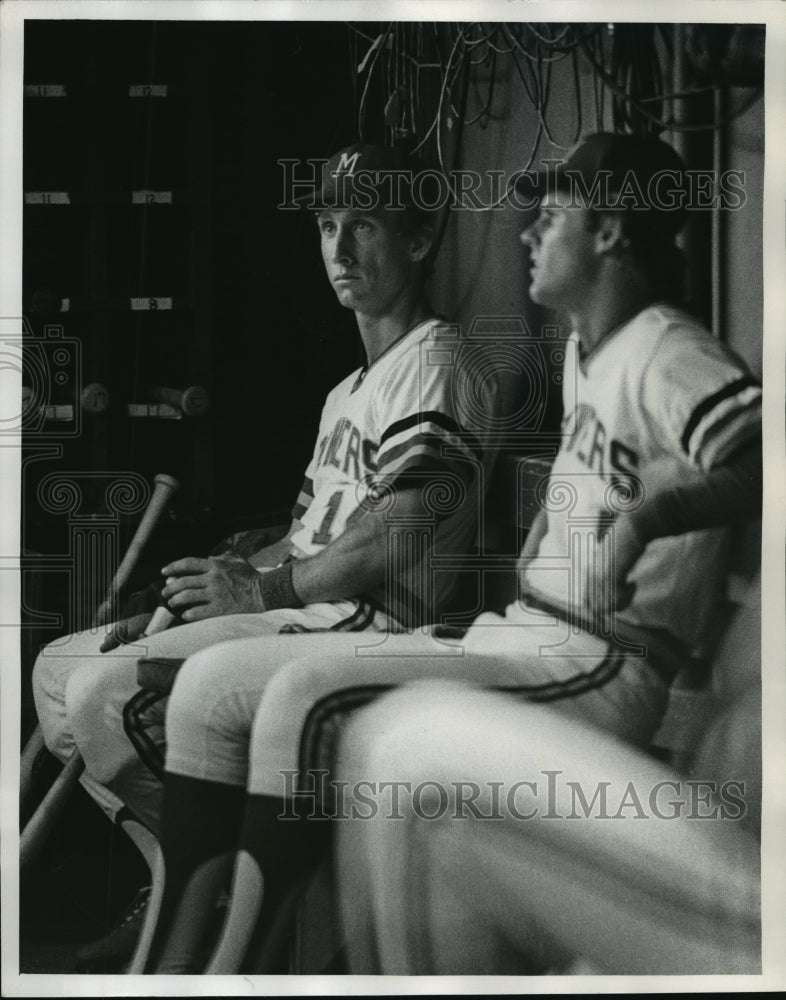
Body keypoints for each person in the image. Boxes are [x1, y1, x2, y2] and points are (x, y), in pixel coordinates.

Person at [127, 131, 762, 974]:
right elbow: (595, 486)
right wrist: (556, 536)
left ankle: (235, 973)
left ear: (610, 231)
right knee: (214, 688)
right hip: (526, 632)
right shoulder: (587, 351)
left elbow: (758, 458)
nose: (530, 233)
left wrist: (644, 526)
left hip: (603, 659)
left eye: (556, 214)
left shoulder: (668, 347)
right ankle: (188, 970)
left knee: (306, 702)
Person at [31, 142, 499, 969]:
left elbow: (402, 528)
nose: (339, 249)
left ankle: (247, 875)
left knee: (109, 696)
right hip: (303, 607)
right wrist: (203, 590)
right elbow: (304, 529)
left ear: (419, 239)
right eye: (326, 225)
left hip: (375, 625)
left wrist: (262, 588)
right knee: (58, 670)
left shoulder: (440, 361)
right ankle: (189, 874)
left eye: (364, 224)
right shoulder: (344, 394)